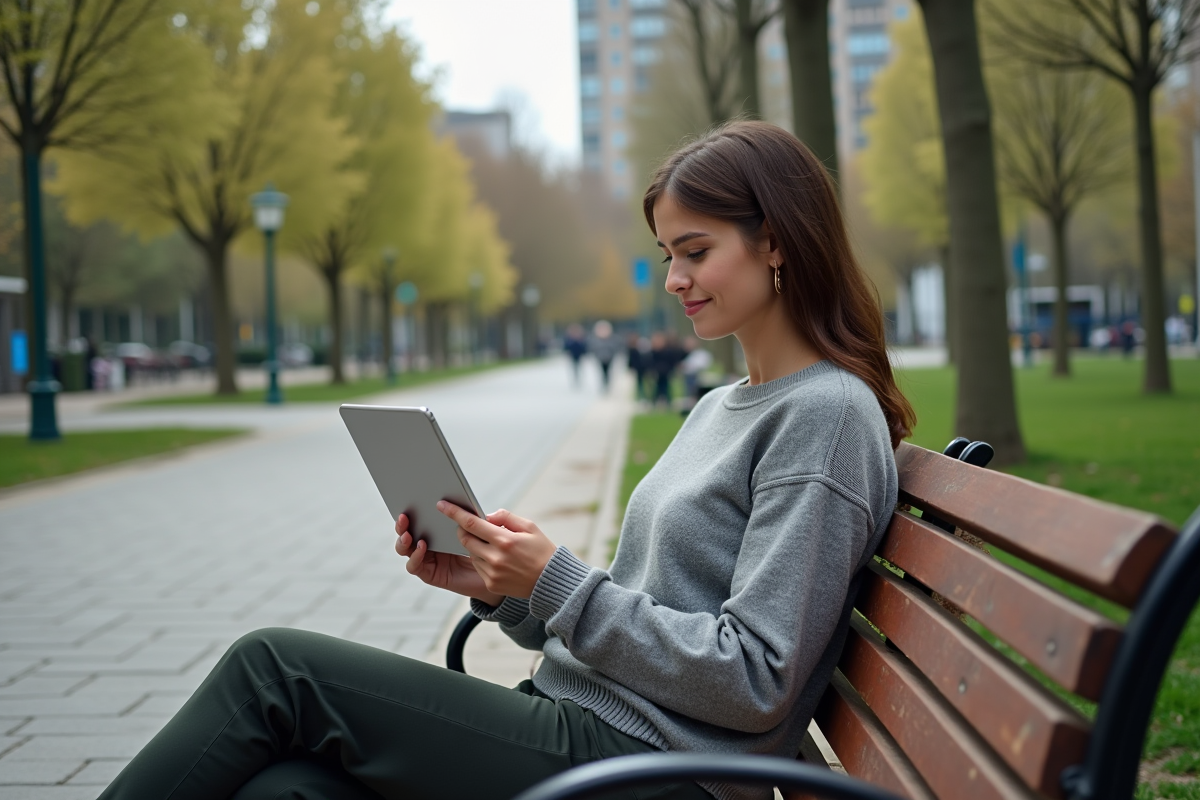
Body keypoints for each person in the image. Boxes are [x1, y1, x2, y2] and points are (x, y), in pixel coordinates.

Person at [98, 121, 914, 800]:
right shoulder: (720, 404)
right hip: (596, 732)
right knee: (285, 792)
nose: (672, 278)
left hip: (652, 772)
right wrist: (509, 592)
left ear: (773, 241)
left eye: (694, 252)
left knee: (273, 668)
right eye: (668, 253)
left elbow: (755, 677)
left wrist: (554, 581)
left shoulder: (825, 417)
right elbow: (654, 610)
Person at [589, 319, 619, 391]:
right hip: (600, 357)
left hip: (609, 357)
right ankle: (604, 383)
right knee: (602, 371)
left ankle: (607, 383)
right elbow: (593, 348)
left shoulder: (611, 339)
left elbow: (614, 348)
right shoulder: (596, 340)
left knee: (608, 371)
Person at [563, 323, 588, 387]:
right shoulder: (569, 339)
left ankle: (579, 378)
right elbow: (566, 347)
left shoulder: (581, 338)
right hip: (572, 355)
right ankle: (576, 378)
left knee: (579, 367)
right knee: (574, 367)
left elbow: (584, 347)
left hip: (579, 355)